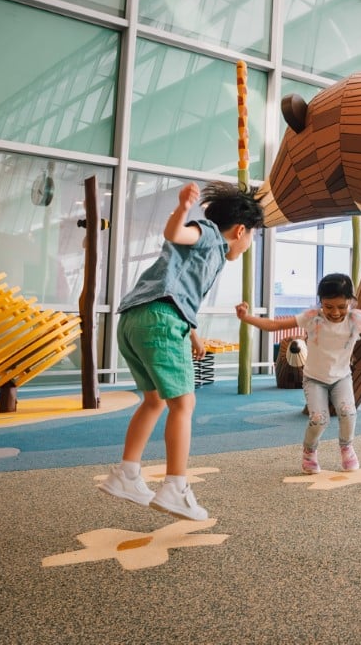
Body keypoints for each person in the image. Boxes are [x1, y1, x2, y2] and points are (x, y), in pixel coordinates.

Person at [99, 181, 264, 521]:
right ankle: (175, 486)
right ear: (241, 230)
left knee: (155, 400)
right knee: (183, 404)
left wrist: (192, 335)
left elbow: (177, 291)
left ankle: (126, 474)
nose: (249, 246)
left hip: (135, 320)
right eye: (252, 239)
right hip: (160, 321)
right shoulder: (209, 236)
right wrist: (182, 208)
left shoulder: (211, 252)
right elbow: (176, 233)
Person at [236, 273, 361, 474]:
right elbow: (276, 325)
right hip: (314, 379)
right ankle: (309, 452)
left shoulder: (355, 320)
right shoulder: (312, 318)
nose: (335, 312)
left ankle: (347, 448)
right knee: (319, 418)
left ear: (351, 302)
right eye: (329, 307)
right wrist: (246, 318)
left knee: (348, 412)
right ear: (321, 303)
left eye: (342, 306)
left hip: (341, 377)